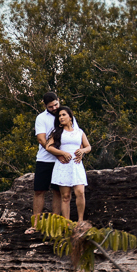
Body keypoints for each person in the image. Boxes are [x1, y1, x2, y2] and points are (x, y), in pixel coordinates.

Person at [31, 92, 72, 221]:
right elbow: (41, 140)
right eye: (50, 107)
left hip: (63, 161)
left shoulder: (66, 115)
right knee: (39, 191)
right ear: (45, 106)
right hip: (45, 159)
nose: (54, 108)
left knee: (58, 191)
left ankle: (55, 223)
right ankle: (35, 224)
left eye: (56, 105)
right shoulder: (41, 118)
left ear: (58, 100)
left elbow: (74, 134)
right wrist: (57, 154)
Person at [49, 106, 90, 222]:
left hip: (76, 165)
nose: (61, 117)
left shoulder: (79, 132)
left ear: (70, 117)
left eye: (63, 115)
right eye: (59, 116)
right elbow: (49, 147)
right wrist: (62, 153)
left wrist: (82, 151)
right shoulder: (57, 132)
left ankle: (80, 221)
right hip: (63, 165)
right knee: (65, 196)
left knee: (80, 192)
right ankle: (66, 223)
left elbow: (88, 146)